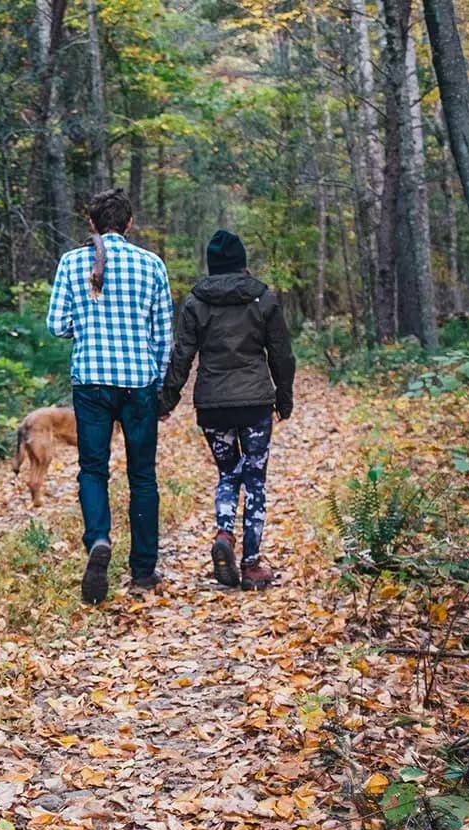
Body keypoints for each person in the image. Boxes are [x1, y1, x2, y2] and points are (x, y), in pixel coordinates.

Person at [47, 188, 174, 605]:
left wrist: (86, 327)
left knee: (93, 469)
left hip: (91, 382)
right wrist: (158, 388)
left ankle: (99, 539)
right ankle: (142, 570)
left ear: (92, 224)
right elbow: (164, 337)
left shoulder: (71, 262)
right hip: (138, 382)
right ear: (129, 223)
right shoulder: (151, 264)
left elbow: (56, 325)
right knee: (142, 476)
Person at [158, 230, 296, 590]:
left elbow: (182, 355)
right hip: (254, 404)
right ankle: (250, 566)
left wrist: (167, 400)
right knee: (254, 480)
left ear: (211, 263)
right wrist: (284, 398)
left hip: (213, 404)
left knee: (227, 473)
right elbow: (281, 353)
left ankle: (224, 533)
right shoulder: (263, 299)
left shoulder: (195, 303)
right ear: (241, 262)